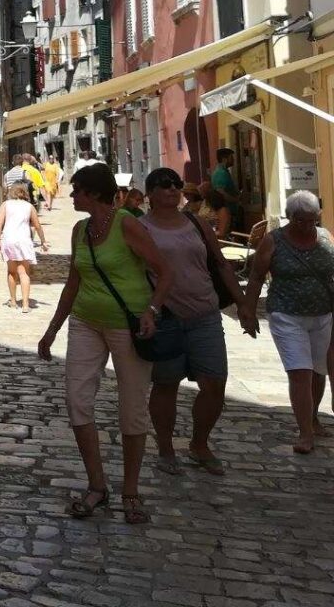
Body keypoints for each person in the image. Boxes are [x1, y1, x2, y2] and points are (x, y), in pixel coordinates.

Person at [37, 162, 173, 524]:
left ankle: (131, 490)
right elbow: (73, 282)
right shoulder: (80, 230)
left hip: (127, 326)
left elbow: (164, 271)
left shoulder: (128, 224)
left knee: (132, 407)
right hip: (85, 322)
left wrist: (152, 310)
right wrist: (52, 329)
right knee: (76, 399)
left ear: (94, 193)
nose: (71, 195)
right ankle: (97, 485)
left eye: (77, 190)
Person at [140, 168, 256, 476]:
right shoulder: (139, 228)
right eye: (164, 185)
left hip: (205, 314)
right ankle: (165, 448)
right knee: (166, 385)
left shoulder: (196, 223)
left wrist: (243, 304)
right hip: (167, 318)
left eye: (176, 185)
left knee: (215, 383)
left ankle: (199, 444)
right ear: (150, 192)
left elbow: (220, 263)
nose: (172, 190)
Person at [244, 190, 334, 454]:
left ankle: (313, 417)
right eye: (302, 220)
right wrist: (248, 310)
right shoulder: (274, 241)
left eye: (312, 220)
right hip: (286, 315)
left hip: (322, 314)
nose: (308, 226)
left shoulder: (326, 238)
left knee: (318, 372)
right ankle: (305, 433)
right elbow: (257, 276)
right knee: (300, 372)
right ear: (290, 217)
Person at [0, 183, 48, 313]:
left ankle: (12, 301)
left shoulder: (6, 205)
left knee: (11, 272)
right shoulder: (29, 207)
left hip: (9, 240)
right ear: (25, 193)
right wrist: (43, 241)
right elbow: (37, 225)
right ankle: (25, 304)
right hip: (23, 240)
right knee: (24, 272)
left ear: (11, 192)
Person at [211, 148, 242, 227]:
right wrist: (236, 200)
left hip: (229, 211)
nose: (233, 160)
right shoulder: (221, 173)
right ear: (224, 159)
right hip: (227, 212)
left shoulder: (223, 171)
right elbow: (221, 192)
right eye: (231, 157)